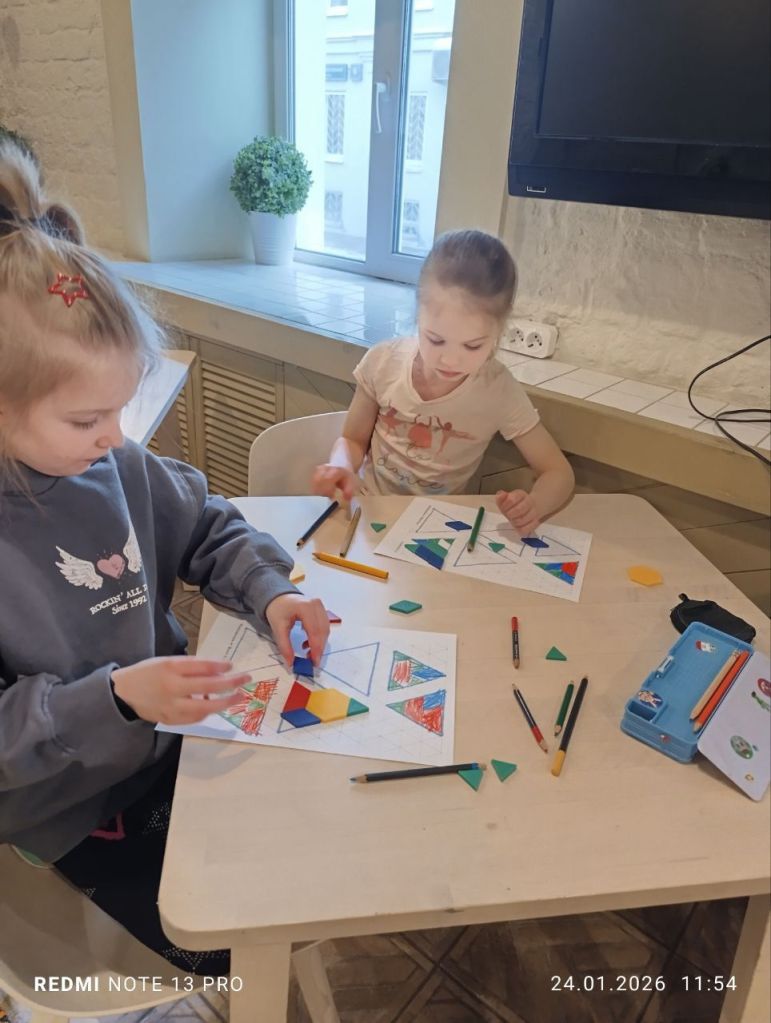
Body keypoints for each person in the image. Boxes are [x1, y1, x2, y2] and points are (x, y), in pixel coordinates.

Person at [0, 140, 329, 975]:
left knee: (316, 850)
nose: (115, 437)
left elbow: (207, 527)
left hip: (173, 743)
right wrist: (113, 699)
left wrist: (270, 591)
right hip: (69, 807)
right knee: (235, 942)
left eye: (123, 406)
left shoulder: (114, 463)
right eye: (86, 420)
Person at [312, 229, 574, 535]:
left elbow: (558, 473)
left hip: (437, 527)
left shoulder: (497, 389)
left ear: (499, 331)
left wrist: (535, 505)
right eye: (435, 339)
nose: (450, 361)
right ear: (417, 316)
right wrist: (341, 465)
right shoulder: (384, 363)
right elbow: (353, 440)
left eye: (473, 346)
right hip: (370, 514)